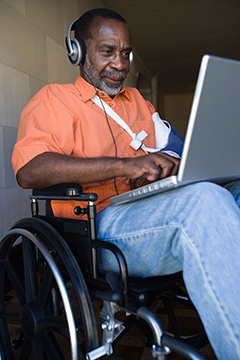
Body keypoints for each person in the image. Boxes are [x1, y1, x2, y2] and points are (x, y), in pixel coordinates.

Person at [12, 8, 240, 360]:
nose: (120, 64)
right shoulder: (53, 100)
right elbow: (29, 170)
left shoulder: (139, 103)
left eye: (126, 53)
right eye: (107, 51)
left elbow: (178, 148)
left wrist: (171, 165)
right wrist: (125, 165)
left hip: (150, 209)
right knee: (204, 203)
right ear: (78, 51)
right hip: (99, 225)